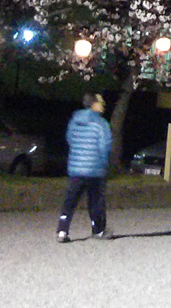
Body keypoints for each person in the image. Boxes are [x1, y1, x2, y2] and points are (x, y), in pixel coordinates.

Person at [57, 92, 113, 243]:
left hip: (76, 168)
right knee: (95, 202)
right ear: (93, 104)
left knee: (70, 201)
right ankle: (99, 230)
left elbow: (69, 139)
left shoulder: (74, 121)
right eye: (101, 102)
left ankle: (62, 230)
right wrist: (104, 164)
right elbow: (105, 147)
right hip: (95, 169)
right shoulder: (101, 124)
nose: (103, 105)